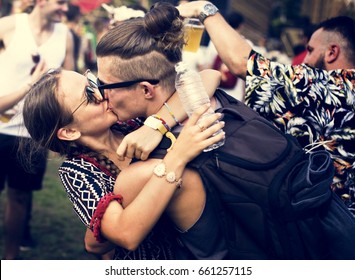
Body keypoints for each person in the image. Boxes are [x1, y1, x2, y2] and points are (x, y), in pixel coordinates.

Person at [22, 68, 226, 260]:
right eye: (89, 95)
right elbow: (127, 235)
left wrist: (156, 126)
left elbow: (209, 76)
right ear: (69, 132)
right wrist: (178, 156)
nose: (101, 93)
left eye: (93, 83)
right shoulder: (77, 171)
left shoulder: (132, 122)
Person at [177, 1, 355, 216]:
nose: (304, 61)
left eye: (310, 50)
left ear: (332, 52)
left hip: (327, 230)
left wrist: (203, 8)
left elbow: (243, 63)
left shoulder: (334, 87)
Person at [0, 0, 74, 259]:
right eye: (61, 3)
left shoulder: (65, 36)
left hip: (32, 134)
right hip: (0, 127)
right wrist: (30, 84)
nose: (65, 9)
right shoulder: (8, 26)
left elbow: (68, 83)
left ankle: (10, 259)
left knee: (20, 197)